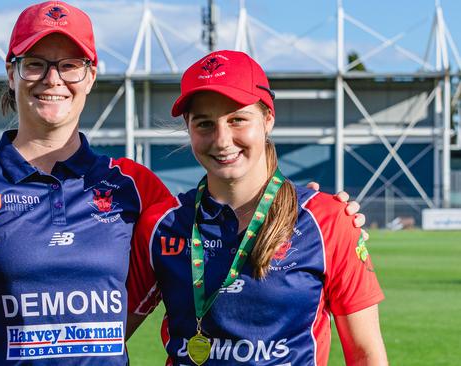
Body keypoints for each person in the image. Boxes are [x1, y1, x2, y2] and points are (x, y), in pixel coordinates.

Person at [0, 2, 367, 365]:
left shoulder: (135, 189)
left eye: (70, 64)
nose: (52, 79)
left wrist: (333, 219)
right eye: (36, 63)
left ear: (91, 74)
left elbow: (225, 217)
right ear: (12, 70)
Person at [127, 50, 387, 365]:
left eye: (237, 119)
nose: (222, 140)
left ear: (267, 119)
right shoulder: (162, 225)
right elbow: (103, 338)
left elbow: (365, 354)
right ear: (188, 127)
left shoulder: (328, 220)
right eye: (205, 124)